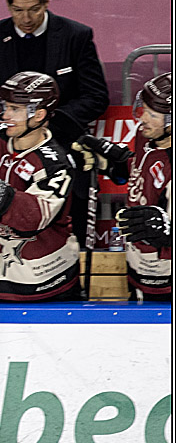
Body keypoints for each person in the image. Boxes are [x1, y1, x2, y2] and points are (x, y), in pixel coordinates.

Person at [0, 0, 109, 250]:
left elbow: (96, 96)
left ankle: (71, 287)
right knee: (8, 226)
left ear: (46, 2)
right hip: (8, 152)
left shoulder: (75, 35)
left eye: (33, 9)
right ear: (8, 6)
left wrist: (44, 125)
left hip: (65, 148)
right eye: (18, 10)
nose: (26, 18)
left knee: (70, 229)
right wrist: (10, 122)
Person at [0, 71, 81, 302]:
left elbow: (35, 218)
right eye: (5, 106)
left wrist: (0, 196)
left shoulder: (55, 164)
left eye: (15, 109)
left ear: (39, 115)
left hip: (47, 283)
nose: (5, 115)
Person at [72, 72, 171, 301]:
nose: (142, 118)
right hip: (140, 266)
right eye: (142, 108)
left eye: (152, 114)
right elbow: (139, 171)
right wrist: (109, 162)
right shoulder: (146, 135)